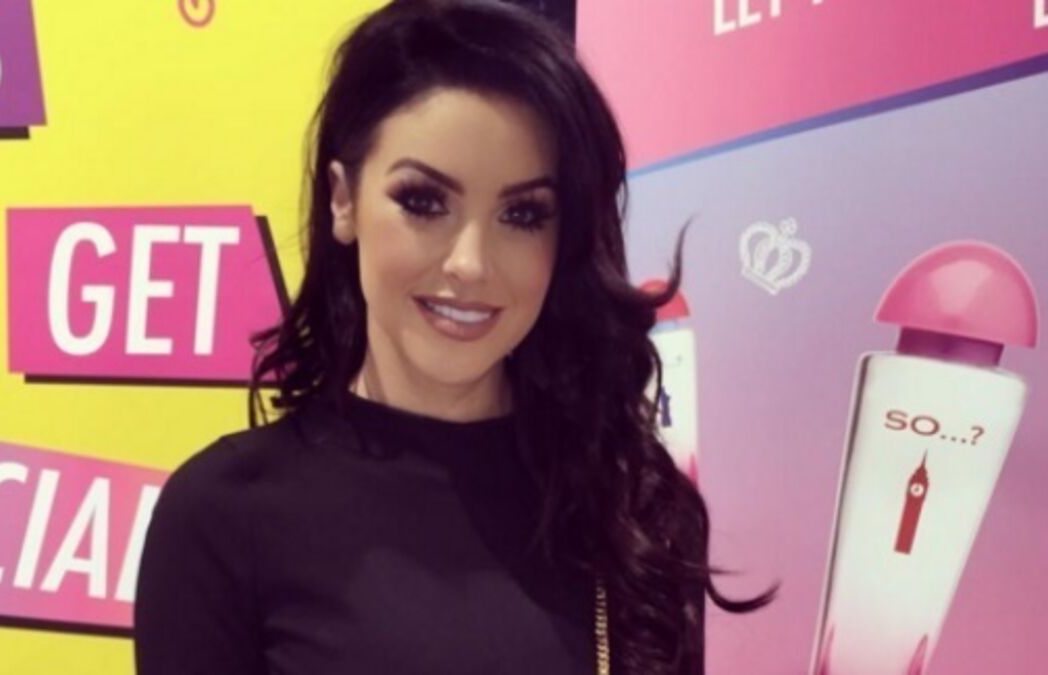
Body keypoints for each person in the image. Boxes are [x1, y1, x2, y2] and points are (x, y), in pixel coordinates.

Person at [133, 1, 773, 673]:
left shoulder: (635, 515)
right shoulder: (223, 516)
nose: (470, 263)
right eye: (423, 202)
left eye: (522, 214)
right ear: (343, 200)